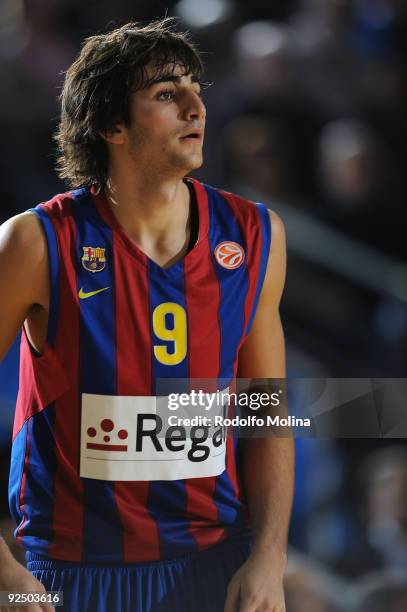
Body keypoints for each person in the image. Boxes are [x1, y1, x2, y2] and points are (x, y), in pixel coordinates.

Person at [0, 18, 294, 612]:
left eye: (195, 88)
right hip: (70, 573)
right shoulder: (36, 241)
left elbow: (266, 404)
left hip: (216, 563)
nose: (195, 107)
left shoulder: (256, 234)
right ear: (110, 125)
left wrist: (268, 557)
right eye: (166, 93)